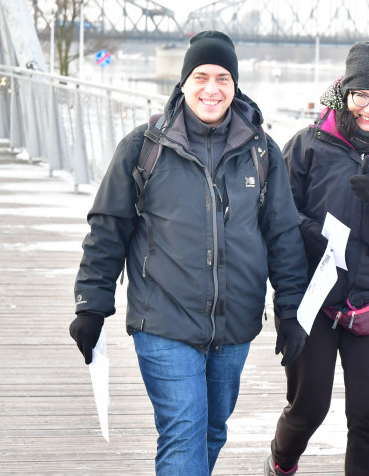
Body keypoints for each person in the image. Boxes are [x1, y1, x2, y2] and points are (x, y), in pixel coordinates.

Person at [70, 30, 309, 474]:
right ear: (183, 83)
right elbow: (108, 227)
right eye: (201, 77)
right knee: (183, 430)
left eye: (222, 78)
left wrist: (291, 310)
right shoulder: (144, 147)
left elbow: (283, 236)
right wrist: (92, 304)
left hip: (234, 323)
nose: (211, 89)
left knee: (212, 430)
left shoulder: (261, 151)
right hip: (163, 318)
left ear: (235, 85)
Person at [266, 41, 369, 476]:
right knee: (309, 406)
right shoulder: (308, 144)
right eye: (362, 96)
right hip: (315, 295)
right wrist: (309, 232)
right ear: (345, 92)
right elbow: (276, 212)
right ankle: (281, 460)